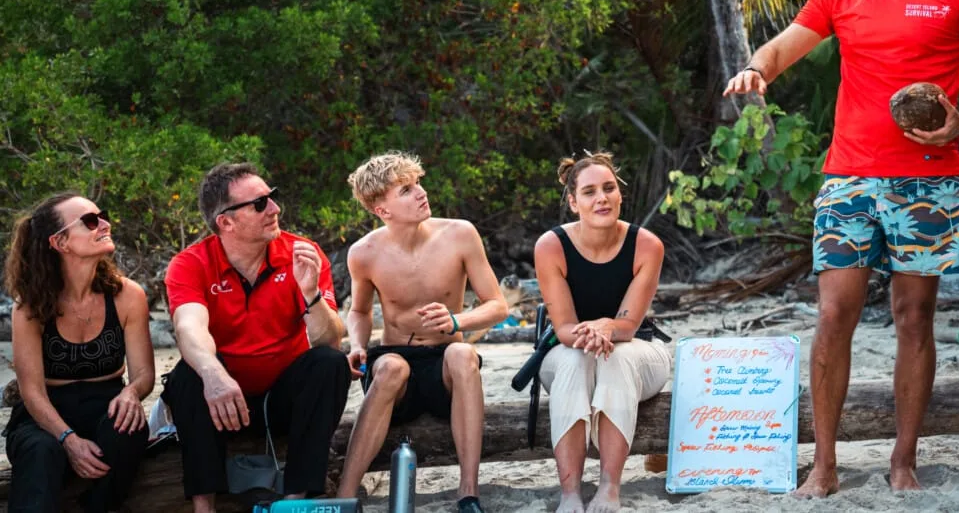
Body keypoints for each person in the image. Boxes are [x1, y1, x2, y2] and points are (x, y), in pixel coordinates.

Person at [724, 0, 959, 498]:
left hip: (929, 179)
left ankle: (903, 460)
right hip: (850, 177)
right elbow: (784, 46)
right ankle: (824, 466)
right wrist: (756, 67)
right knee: (834, 314)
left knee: (915, 318)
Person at [162, 163, 350, 512]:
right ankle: (205, 507)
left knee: (330, 364)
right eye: (260, 203)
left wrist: (310, 294)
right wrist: (214, 374)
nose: (275, 209)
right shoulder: (190, 263)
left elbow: (329, 339)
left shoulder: (301, 253)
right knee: (188, 375)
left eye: (273, 198)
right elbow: (189, 328)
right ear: (226, 222)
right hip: (217, 401)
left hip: (278, 401)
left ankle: (295, 500)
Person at [336, 151, 508, 513]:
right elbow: (360, 310)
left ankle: (468, 493)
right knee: (391, 368)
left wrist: (457, 322)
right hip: (397, 367)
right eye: (406, 190)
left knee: (462, 354)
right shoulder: (363, 253)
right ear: (382, 209)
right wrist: (357, 345)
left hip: (445, 364)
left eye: (418, 183)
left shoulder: (460, 234)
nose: (420, 193)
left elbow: (497, 305)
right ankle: (345, 497)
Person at [533, 152, 672, 513]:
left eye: (609, 189)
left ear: (620, 195)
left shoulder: (646, 245)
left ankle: (610, 488)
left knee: (615, 356)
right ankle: (570, 494)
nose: (602, 198)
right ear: (573, 201)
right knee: (575, 361)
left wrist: (607, 328)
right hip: (570, 347)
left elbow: (628, 324)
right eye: (590, 191)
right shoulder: (551, 247)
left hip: (640, 348)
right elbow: (563, 327)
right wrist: (591, 333)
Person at [3, 193, 154, 513]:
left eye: (103, 215)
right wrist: (68, 440)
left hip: (106, 402)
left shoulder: (129, 295)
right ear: (60, 243)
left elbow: (144, 375)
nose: (104, 224)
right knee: (42, 451)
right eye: (90, 221)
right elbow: (31, 392)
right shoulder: (29, 306)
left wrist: (131, 392)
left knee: (129, 427)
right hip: (44, 412)